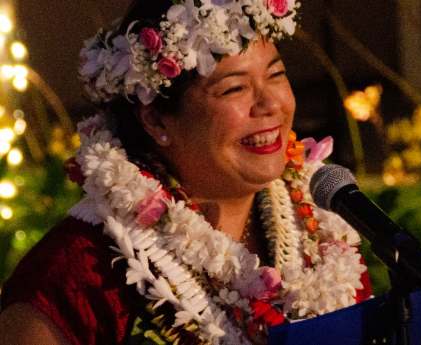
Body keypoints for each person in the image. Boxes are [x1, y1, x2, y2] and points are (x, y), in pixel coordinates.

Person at [0, 0, 372, 344]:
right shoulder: (76, 274)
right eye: (234, 89)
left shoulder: (321, 233)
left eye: (276, 75)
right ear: (156, 119)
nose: (271, 104)